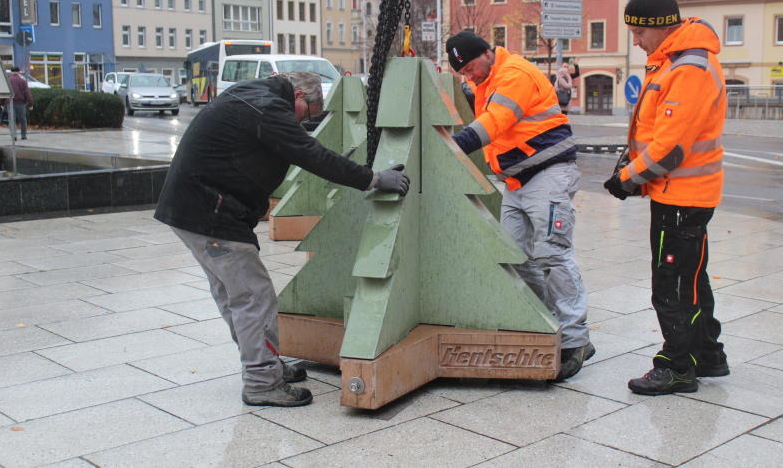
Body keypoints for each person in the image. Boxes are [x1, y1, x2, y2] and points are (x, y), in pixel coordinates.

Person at [154, 71, 410, 407]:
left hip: (191, 209)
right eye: (307, 114)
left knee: (234, 294)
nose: (302, 120)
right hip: (211, 213)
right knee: (253, 298)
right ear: (300, 95)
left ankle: (266, 364)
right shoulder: (269, 107)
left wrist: (336, 167)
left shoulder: (251, 95)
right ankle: (262, 381)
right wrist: (375, 178)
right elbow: (309, 153)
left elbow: (272, 153)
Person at [446, 31, 593, 381]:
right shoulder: (487, 81)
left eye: (470, 68)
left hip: (549, 175)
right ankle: (545, 325)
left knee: (553, 254)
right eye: (462, 73)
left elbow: (494, 122)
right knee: (515, 255)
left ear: (486, 53)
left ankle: (575, 340)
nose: (469, 76)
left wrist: (452, 146)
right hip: (517, 182)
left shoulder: (515, 74)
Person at [604, 0, 728, 396]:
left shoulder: (688, 68)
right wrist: (631, 167)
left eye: (638, 32)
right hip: (683, 194)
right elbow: (655, 130)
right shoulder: (674, 61)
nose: (635, 41)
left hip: (682, 196)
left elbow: (671, 147)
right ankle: (709, 355)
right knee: (693, 280)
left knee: (671, 284)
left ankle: (676, 367)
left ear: (659, 27)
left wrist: (628, 178)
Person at [8, 66, 33, 140]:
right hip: (21, 103)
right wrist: (30, 104)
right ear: (18, 72)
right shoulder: (22, 81)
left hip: (10, 102)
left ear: (11, 72)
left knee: (12, 119)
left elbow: (4, 92)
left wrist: (2, 103)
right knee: (23, 119)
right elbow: (27, 93)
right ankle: (23, 135)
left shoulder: (8, 80)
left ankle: (14, 136)